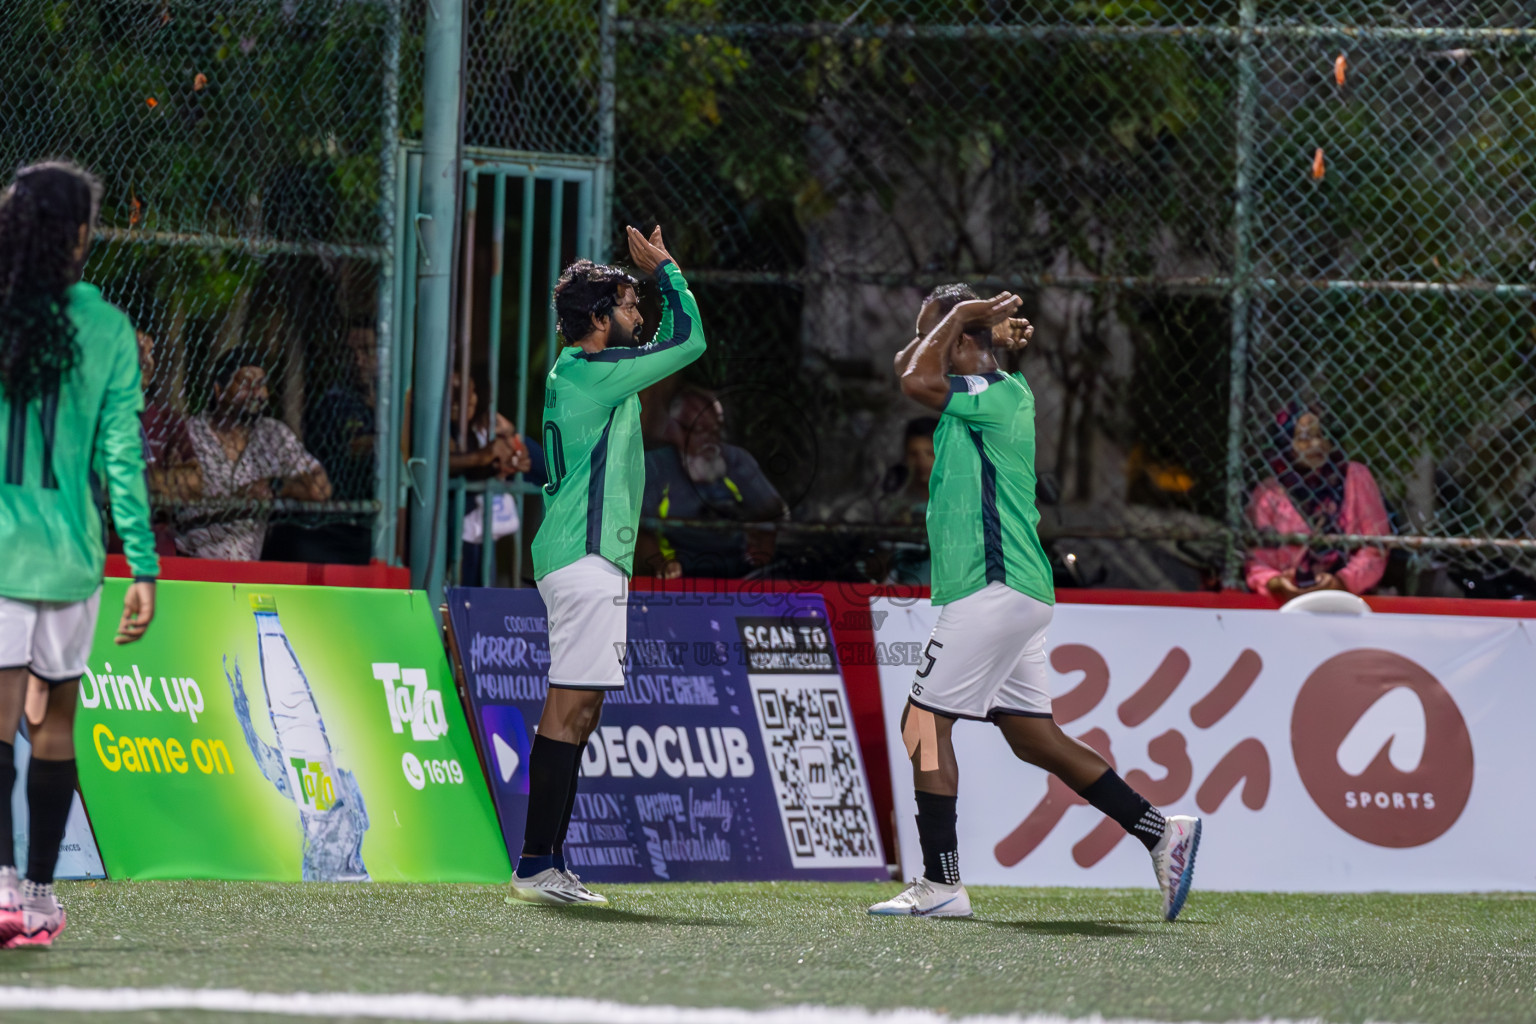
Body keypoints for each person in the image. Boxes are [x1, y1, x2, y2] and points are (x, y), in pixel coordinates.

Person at [869, 283, 1201, 921]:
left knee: (922, 726)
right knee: (1034, 738)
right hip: (1016, 591)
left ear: (966, 340)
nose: (930, 345)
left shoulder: (988, 395)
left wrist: (965, 316)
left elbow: (913, 380)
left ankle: (941, 887)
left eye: (945, 333)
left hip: (993, 587)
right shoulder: (996, 392)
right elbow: (908, 367)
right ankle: (1162, 832)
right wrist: (946, 321)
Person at [511, 225, 704, 905]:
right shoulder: (592, 374)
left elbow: (663, 342)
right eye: (626, 305)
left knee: (580, 707)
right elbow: (689, 340)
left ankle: (545, 863)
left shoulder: (585, 370)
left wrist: (651, 283)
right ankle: (537, 865)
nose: (638, 314)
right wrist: (668, 270)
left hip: (588, 559)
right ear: (596, 320)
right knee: (568, 710)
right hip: (583, 558)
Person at [0, 161, 158, 947]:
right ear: (85, 235)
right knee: (56, 722)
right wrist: (145, 565)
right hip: (70, 559)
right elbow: (122, 457)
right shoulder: (110, 329)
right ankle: (36, 894)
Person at [178, 350, 332, 560]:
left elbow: (320, 488)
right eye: (246, 384)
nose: (256, 393)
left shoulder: (273, 434)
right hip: (192, 564)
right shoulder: (190, 434)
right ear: (219, 391)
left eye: (261, 384)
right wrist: (233, 499)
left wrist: (275, 487)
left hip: (247, 569)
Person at [640, 385, 788, 579]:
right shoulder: (654, 467)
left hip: (740, 575)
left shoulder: (736, 460)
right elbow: (637, 530)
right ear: (676, 430)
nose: (711, 438)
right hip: (678, 578)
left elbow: (775, 512)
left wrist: (763, 538)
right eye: (700, 430)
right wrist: (661, 562)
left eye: (716, 428)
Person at [1245, 402, 1390, 600]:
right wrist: (1277, 582)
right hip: (1287, 599)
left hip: (1347, 599)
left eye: (1323, 435)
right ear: (1286, 444)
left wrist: (1341, 582)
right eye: (1304, 438)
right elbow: (1258, 562)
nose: (1316, 444)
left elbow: (1375, 547)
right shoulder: (1269, 493)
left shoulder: (1354, 477)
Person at [447, 373, 531, 586]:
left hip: (475, 531)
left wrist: (500, 466)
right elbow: (437, 464)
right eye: (456, 393)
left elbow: (529, 461)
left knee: (481, 595)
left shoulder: (475, 432)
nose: (469, 399)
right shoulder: (439, 429)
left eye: (471, 391)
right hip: (449, 532)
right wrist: (481, 457)